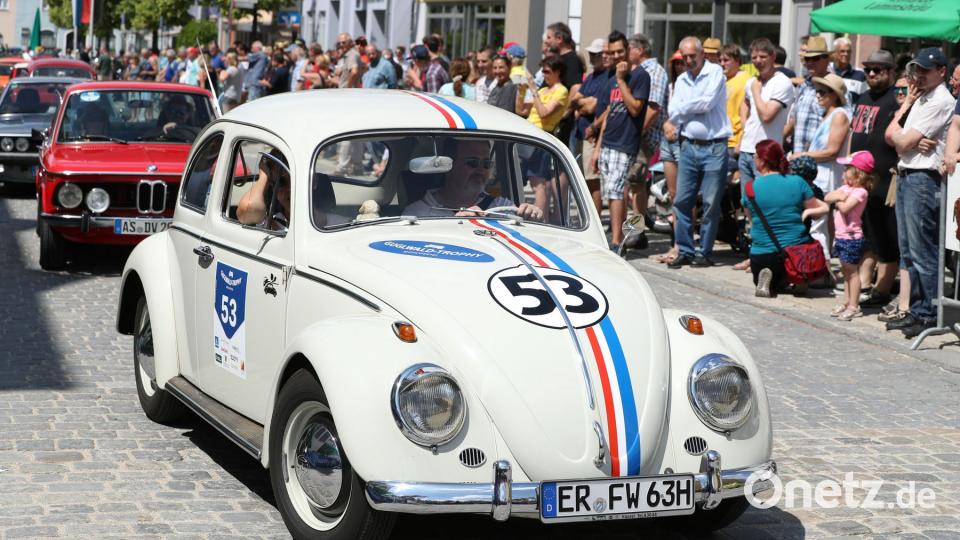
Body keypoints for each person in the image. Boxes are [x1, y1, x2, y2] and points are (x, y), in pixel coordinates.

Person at [884, 47, 956, 338]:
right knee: (909, 250)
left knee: (922, 249)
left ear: (942, 72)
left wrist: (906, 142)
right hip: (907, 173)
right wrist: (907, 141)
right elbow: (891, 137)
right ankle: (916, 309)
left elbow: (903, 140)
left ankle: (928, 312)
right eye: (917, 70)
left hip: (922, 177)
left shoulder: (941, 100)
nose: (919, 75)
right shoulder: (922, 97)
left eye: (926, 70)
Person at [666, 36, 730, 268]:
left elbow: (707, 103)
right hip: (689, 145)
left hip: (714, 145)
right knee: (682, 200)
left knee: (711, 204)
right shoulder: (682, 79)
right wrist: (688, 107)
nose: (689, 60)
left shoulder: (714, 73)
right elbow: (673, 113)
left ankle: (705, 250)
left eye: (693, 56)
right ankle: (685, 249)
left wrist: (685, 107)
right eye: (685, 57)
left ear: (702, 54)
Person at [743, 139, 828, 297]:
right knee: (805, 248)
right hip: (796, 255)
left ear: (762, 161)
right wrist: (807, 213)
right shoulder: (797, 182)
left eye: (755, 156)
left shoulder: (750, 188)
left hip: (762, 255)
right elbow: (819, 209)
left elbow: (751, 221)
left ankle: (769, 277)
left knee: (771, 280)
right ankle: (799, 279)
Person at [849, 49, 900, 310]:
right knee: (865, 234)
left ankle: (883, 288)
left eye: (878, 69)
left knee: (886, 235)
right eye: (868, 69)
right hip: (860, 180)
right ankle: (865, 284)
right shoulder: (863, 97)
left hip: (884, 179)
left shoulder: (896, 99)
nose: (871, 73)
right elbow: (854, 133)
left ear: (891, 72)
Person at [591, 30, 650, 251]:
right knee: (612, 192)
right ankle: (621, 238)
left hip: (625, 143)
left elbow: (636, 108)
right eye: (611, 52)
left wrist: (620, 80)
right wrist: (597, 148)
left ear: (628, 50)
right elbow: (608, 113)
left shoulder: (639, 75)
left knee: (617, 190)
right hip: (608, 142)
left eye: (619, 51)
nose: (615, 56)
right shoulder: (610, 78)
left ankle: (617, 242)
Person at [403, 138, 543, 220]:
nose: (481, 170)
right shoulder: (416, 213)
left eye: (487, 164)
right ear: (449, 165)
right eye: (472, 162)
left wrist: (532, 216)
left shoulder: (502, 207)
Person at [790, 73, 850, 263]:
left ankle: (821, 266)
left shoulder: (839, 115)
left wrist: (802, 155)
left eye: (823, 92)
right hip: (819, 175)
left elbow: (832, 150)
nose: (818, 95)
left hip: (827, 176)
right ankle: (823, 265)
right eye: (817, 91)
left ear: (834, 95)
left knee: (818, 223)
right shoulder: (828, 115)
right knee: (822, 224)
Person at [823, 151, 874, 320]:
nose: (843, 172)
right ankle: (847, 301)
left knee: (852, 273)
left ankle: (854, 305)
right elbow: (827, 197)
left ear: (858, 173)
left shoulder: (860, 192)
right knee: (846, 271)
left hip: (852, 238)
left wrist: (838, 200)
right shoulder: (846, 189)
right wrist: (838, 196)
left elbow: (845, 208)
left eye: (847, 169)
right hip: (841, 236)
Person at [786, 36, 852, 156]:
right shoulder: (803, 86)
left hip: (821, 164)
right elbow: (793, 121)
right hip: (798, 161)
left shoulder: (836, 87)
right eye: (807, 59)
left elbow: (845, 124)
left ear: (827, 60)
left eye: (815, 58)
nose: (810, 63)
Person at [571, 38, 610, 215]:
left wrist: (582, 103)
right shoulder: (592, 77)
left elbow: (594, 106)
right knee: (584, 180)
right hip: (581, 133)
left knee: (593, 181)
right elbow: (574, 100)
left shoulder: (607, 77)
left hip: (592, 135)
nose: (592, 57)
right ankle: (589, 217)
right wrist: (582, 103)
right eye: (591, 54)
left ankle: (596, 219)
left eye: (596, 54)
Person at [238, 152, 292, 229]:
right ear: (274, 190)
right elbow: (248, 208)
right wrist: (264, 177)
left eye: (295, 181)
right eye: (280, 183)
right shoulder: (274, 224)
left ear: (314, 182)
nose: (290, 189)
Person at [721, 43, 750, 181]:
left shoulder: (746, 80)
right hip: (723, 140)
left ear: (737, 60)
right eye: (720, 60)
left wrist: (742, 141)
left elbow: (748, 113)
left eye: (726, 60)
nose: (722, 64)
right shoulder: (724, 80)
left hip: (735, 142)